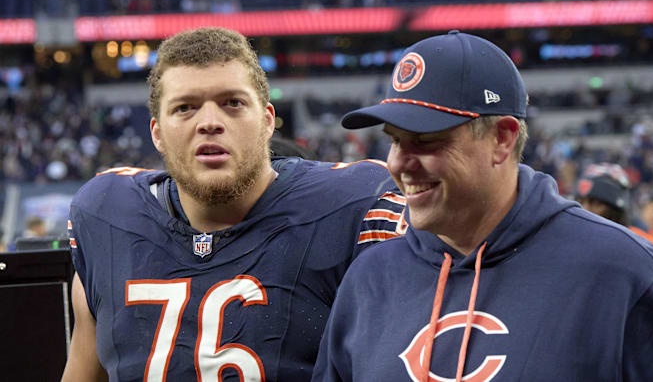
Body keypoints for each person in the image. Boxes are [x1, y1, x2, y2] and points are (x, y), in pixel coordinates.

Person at [312, 31, 653, 381]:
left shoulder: (625, 271)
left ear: (502, 139)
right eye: (395, 140)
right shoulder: (369, 278)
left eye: (425, 140)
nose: (398, 163)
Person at [61, 27, 406, 382]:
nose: (210, 123)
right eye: (185, 108)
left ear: (268, 121)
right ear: (157, 133)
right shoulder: (105, 216)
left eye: (233, 103)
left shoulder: (352, 206)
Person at [573, 162, 653, 255]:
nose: (584, 210)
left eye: (596, 204)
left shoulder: (651, 250)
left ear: (617, 210)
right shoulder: (567, 242)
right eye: (580, 201)